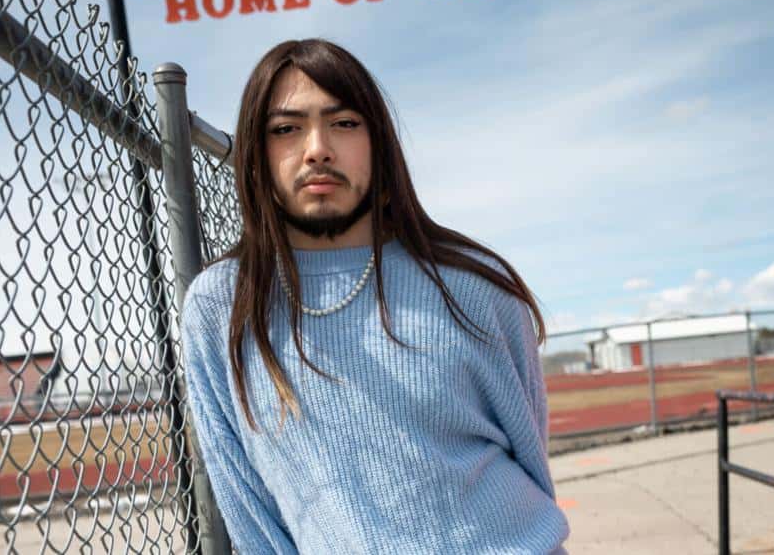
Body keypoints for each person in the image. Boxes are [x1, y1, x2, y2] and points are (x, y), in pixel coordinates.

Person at [179, 38, 570, 554]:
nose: (317, 147)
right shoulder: (223, 305)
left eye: (344, 123)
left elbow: (530, 452)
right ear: (257, 154)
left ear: (378, 144)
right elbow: (244, 501)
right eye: (286, 129)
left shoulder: (475, 286)